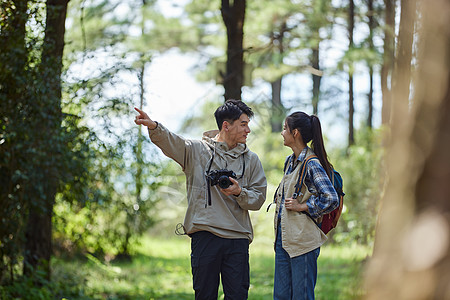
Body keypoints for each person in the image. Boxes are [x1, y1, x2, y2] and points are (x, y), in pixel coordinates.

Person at [134, 99, 267, 300]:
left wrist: (240, 192)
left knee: (238, 296)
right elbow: (172, 142)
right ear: (226, 125)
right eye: (243, 124)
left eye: (248, 124)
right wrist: (154, 127)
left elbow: (258, 199)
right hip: (205, 235)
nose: (248, 130)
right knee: (204, 296)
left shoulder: (251, 159)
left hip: (237, 238)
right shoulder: (197, 150)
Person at [272, 111, 339, 300]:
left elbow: (331, 198)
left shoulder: (312, 163)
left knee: (301, 296)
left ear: (295, 133)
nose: (282, 132)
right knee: (281, 297)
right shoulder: (290, 161)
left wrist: (303, 206)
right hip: (284, 240)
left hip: (303, 242)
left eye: (285, 128)